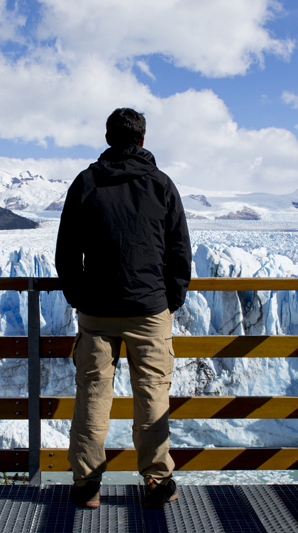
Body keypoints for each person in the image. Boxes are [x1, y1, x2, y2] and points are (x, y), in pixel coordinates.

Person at [55, 108, 192, 509]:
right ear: (143, 140)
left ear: (108, 138)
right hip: (149, 310)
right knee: (152, 397)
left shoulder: (86, 182)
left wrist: (79, 296)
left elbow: (66, 251)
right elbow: (180, 252)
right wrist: (171, 301)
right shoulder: (162, 185)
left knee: (92, 399)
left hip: (96, 311)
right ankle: (156, 482)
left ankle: (86, 485)